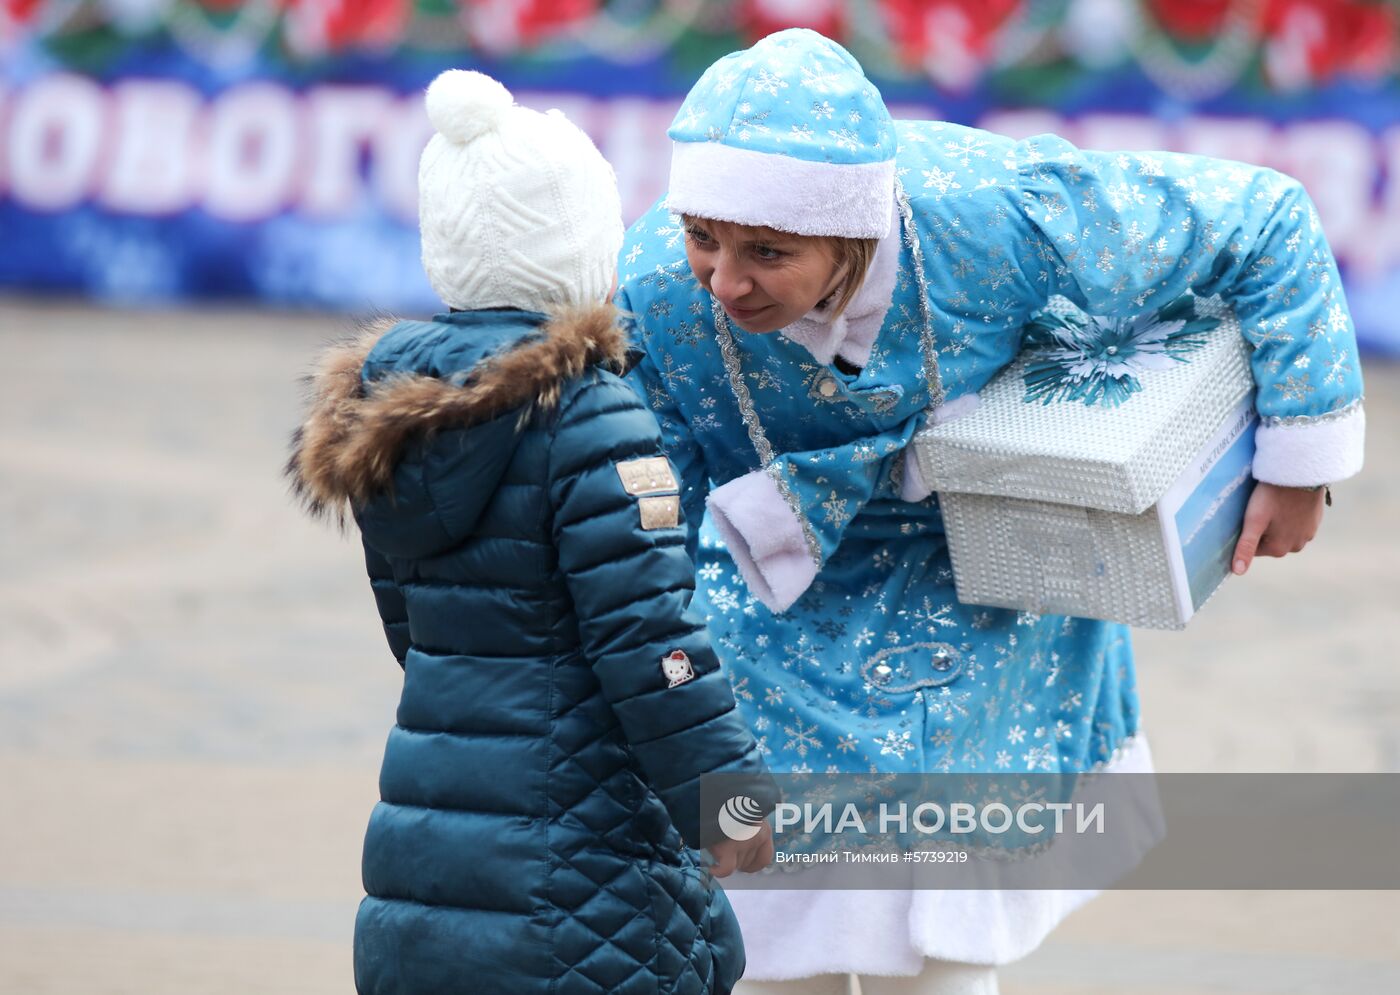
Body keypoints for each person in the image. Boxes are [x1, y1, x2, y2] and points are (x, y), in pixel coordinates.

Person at [616, 28, 1365, 995]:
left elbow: (1263, 219)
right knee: (764, 943)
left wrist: (1299, 457)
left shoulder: (996, 214)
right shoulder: (653, 285)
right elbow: (647, 514)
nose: (722, 279)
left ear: (853, 235)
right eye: (702, 238)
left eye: (768, 251)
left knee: (943, 951)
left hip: (974, 586)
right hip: (767, 608)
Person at [287, 69, 775, 995]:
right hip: (577, 848)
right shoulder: (594, 414)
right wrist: (730, 803)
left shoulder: (394, 413)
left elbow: (411, 626)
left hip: (426, 842)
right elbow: (653, 640)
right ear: (583, 245)